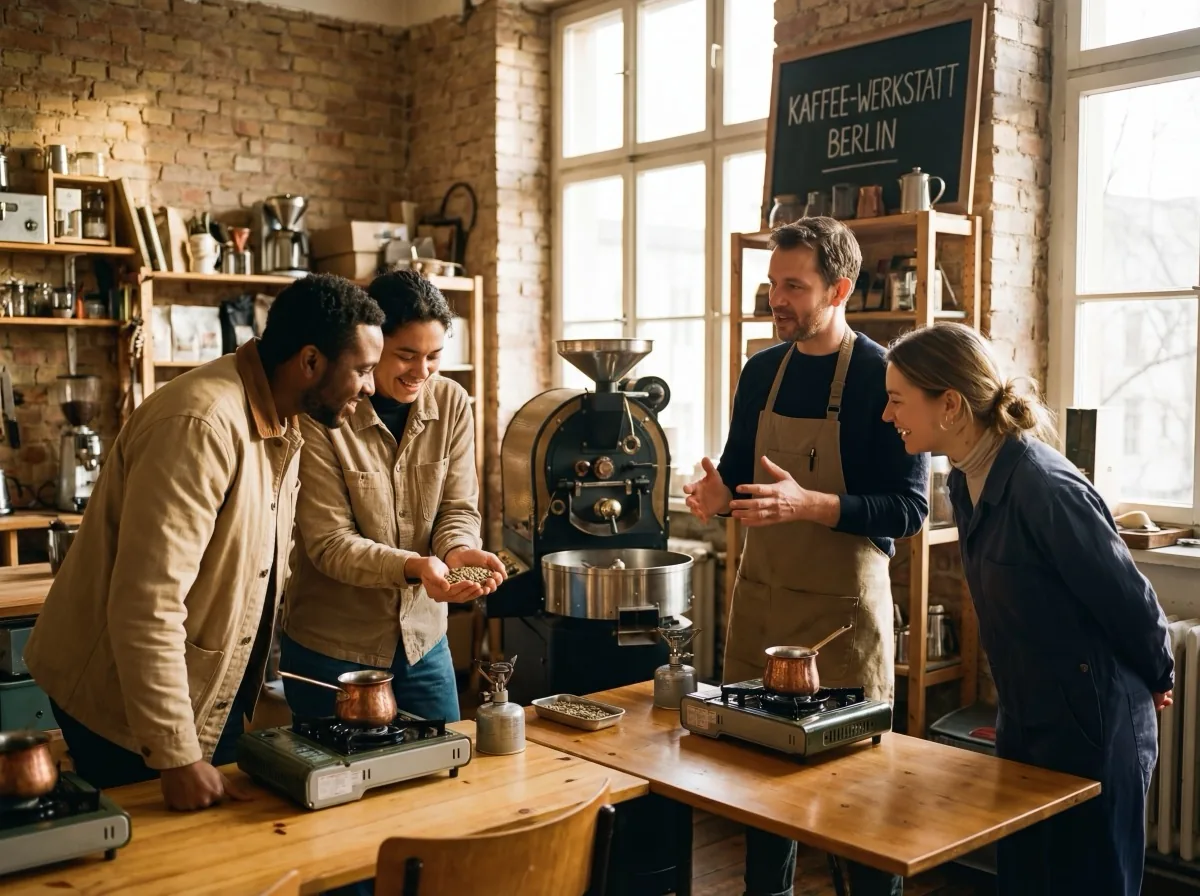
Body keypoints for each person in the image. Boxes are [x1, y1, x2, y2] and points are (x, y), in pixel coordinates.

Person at [24, 274, 385, 811]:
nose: (371, 387)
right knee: (162, 854)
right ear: (310, 361)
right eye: (363, 369)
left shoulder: (284, 420)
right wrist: (176, 756)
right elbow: (147, 603)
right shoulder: (201, 425)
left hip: (197, 692)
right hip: (120, 701)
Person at [882, 322, 1174, 896]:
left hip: (1095, 725)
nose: (888, 415)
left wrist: (1159, 674)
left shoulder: (1044, 487)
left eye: (897, 400)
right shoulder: (966, 480)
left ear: (949, 405)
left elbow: (1129, 599)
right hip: (1028, 720)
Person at [684, 217, 927, 896]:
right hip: (762, 608)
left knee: (860, 808)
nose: (777, 299)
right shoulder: (762, 371)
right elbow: (740, 476)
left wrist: (810, 504)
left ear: (840, 289)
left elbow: (909, 510)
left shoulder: (883, 377)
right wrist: (717, 495)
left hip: (840, 626)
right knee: (761, 793)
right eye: (773, 284)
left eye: (794, 286)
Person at [279, 269, 503, 726]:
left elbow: (457, 508)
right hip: (333, 648)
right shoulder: (323, 411)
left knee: (445, 759)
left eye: (434, 356)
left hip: (423, 642)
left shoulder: (452, 403)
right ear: (372, 343)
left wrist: (458, 551)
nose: (422, 372)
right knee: (340, 769)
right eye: (406, 355)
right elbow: (329, 543)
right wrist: (415, 567)